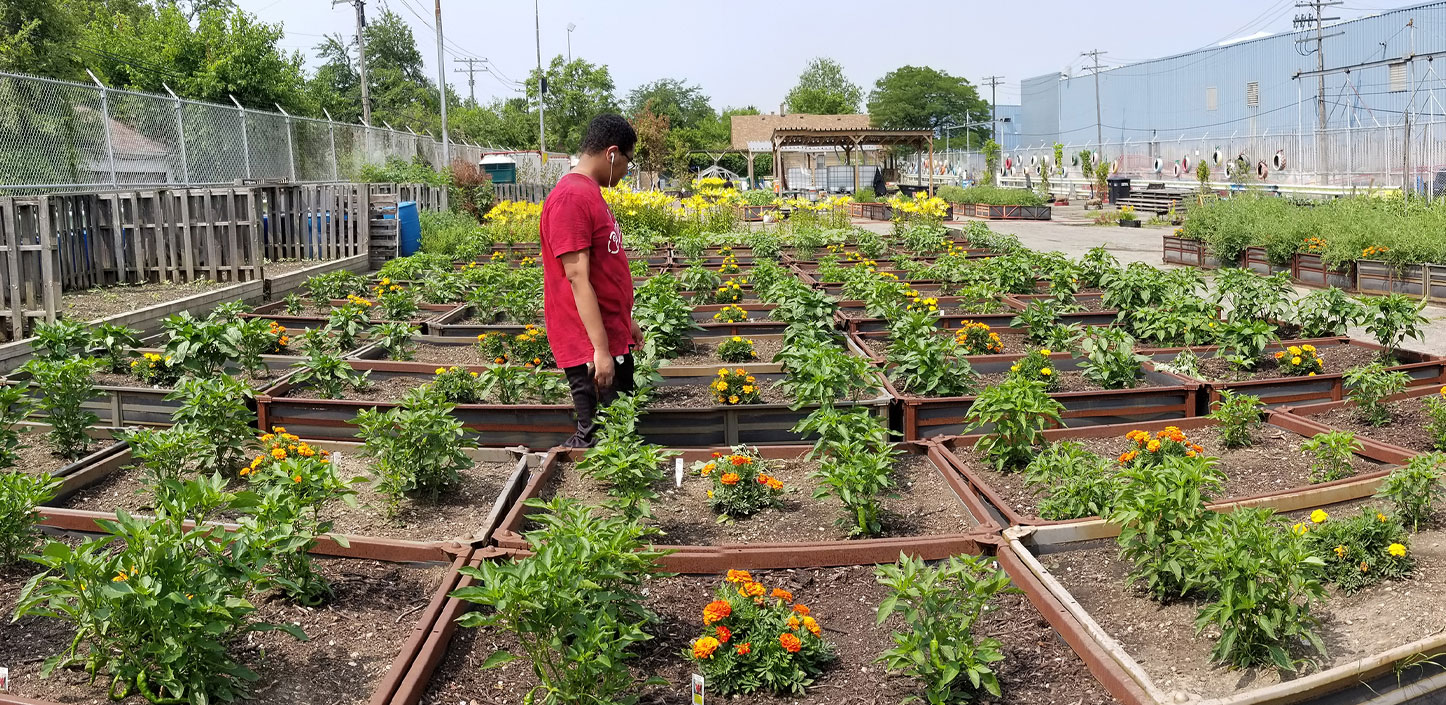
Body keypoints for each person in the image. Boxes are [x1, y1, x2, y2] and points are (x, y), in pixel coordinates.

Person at [539, 114, 644, 447]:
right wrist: (599, 349)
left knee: (621, 433)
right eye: (628, 160)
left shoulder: (589, 193)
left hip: (609, 336)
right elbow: (577, 278)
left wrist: (625, 320)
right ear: (612, 153)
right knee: (601, 442)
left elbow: (603, 271)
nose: (627, 170)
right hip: (590, 347)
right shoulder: (571, 199)